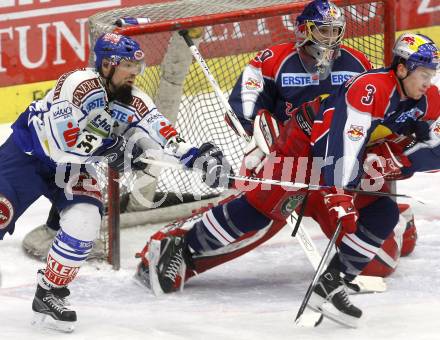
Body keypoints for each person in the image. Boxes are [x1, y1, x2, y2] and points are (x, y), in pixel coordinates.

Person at [142, 32, 440, 328]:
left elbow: (437, 147)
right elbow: (337, 142)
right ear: (401, 69)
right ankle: (182, 246)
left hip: (349, 158)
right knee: (267, 208)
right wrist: (338, 193)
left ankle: (332, 283)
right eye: (423, 74)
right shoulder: (371, 89)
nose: (428, 82)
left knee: (381, 218)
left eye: (432, 74)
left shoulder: (427, 99)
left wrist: (400, 160)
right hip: (305, 143)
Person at [0, 32, 231, 332]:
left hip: (72, 170)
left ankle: (49, 292)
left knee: (85, 220)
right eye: (128, 66)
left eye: (138, 67)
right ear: (107, 64)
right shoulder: (77, 85)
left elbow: (164, 137)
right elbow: (61, 146)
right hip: (28, 157)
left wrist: (196, 158)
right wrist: (115, 151)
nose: (136, 72)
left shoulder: (134, 100)